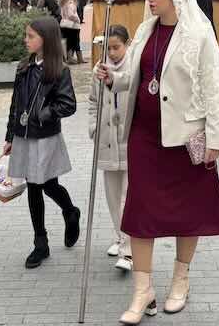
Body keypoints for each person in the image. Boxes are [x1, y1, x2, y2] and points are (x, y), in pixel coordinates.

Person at [95, 0, 219, 324]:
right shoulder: (145, 31)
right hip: (144, 136)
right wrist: (112, 78)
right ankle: (142, 290)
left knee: (188, 212)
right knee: (140, 211)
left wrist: (215, 139)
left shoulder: (197, 34)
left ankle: (180, 278)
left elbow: (212, 88)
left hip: (184, 139)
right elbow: (133, 76)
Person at [2, 16, 80, 269]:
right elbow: (15, 103)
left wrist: (41, 114)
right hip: (24, 136)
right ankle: (40, 242)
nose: (25, 40)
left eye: (30, 36)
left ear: (45, 39)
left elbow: (68, 104)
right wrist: (10, 136)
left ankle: (70, 211)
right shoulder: (23, 67)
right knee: (34, 187)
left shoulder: (59, 70)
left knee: (48, 185)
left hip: (45, 137)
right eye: (26, 35)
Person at [88, 25, 133, 272]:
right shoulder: (99, 69)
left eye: (117, 47)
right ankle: (120, 237)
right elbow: (93, 102)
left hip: (128, 141)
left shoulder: (134, 67)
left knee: (128, 198)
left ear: (127, 44)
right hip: (106, 141)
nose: (112, 53)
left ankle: (129, 250)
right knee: (113, 197)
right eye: (109, 48)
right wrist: (94, 128)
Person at [59, 0, 83, 65]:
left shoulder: (63, 3)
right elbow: (70, 14)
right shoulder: (71, 3)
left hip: (64, 24)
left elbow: (61, 14)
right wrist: (77, 19)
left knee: (68, 42)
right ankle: (77, 58)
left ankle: (70, 58)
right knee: (75, 41)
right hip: (72, 25)